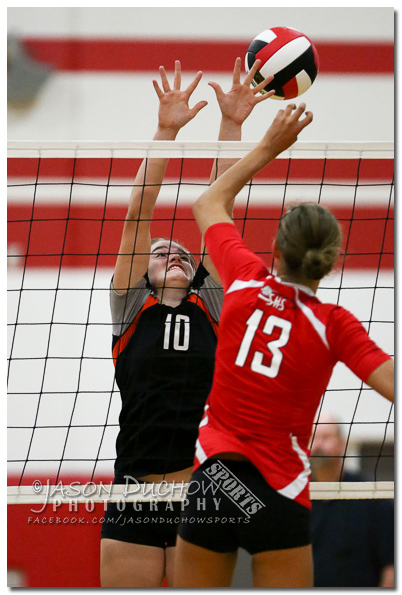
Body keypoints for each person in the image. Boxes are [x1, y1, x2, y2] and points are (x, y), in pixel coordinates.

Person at [173, 103, 395, 588]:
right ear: (330, 262)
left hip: (218, 478)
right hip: (281, 490)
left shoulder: (245, 280)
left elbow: (207, 203)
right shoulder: (334, 325)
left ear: (274, 251)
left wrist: (270, 146)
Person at [100, 58, 274, 588]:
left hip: (201, 493)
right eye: (160, 255)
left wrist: (233, 124)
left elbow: (218, 204)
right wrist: (166, 131)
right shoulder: (131, 308)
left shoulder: (213, 303)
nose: (172, 254)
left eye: (180, 252)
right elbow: (139, 211)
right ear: (143, 274)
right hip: (134, 492)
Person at [310, 412, 394, 587]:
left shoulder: (373, 497)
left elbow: (391, 566)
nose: (318, 444)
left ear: (342, 444)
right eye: (314, 437)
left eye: (326, 437)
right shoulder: (296, 499)